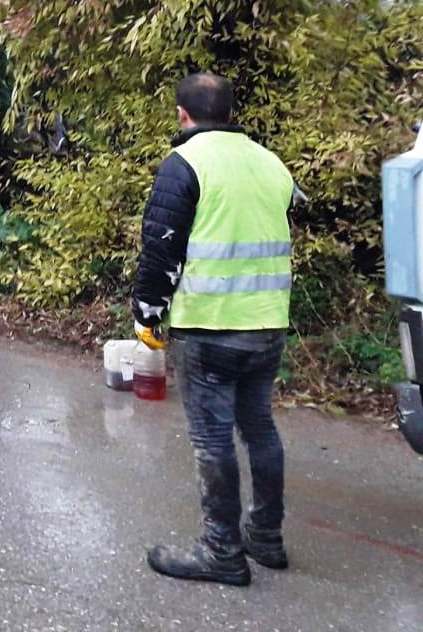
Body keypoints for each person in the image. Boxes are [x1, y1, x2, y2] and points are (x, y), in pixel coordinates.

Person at [133, 71, 295, 587]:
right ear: (229, 112)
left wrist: (147, 312)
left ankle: (222, 552)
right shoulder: (271, 163)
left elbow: (162, 247)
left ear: (183, 115)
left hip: (210, 327)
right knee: (259, 429)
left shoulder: (184, 165)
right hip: (268, 322)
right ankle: (265, 538)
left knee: (212, 439)